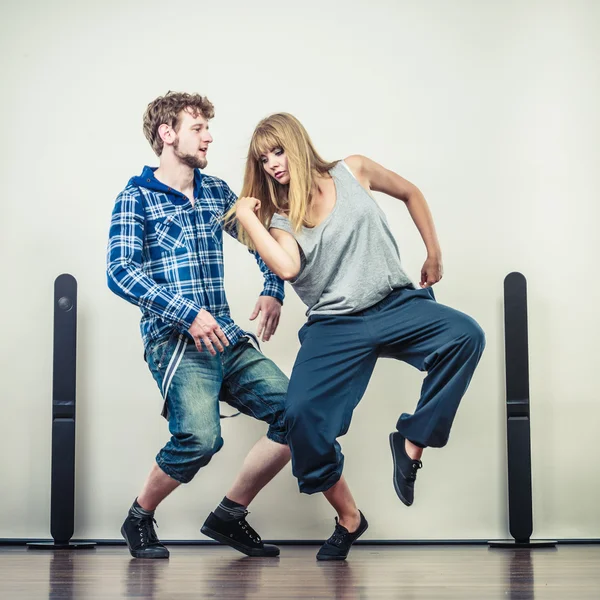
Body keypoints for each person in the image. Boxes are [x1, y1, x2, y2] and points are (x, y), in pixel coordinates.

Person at [229, 112, 486, 561]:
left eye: (278, 150)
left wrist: (434, 251)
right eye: (263, 158)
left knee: (465, 335)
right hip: (335, 326)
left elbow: (410, 192)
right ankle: (349, 519)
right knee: (302, 416)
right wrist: (249, 218)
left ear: (298, 142)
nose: (272, 163)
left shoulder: (353, 170)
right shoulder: (280, 221)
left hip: (395, 304)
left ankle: (411, 441)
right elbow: (287, 268)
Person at [106, 93, 291, 559]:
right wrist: (186, 313)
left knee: (302, 415)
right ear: (167, 134)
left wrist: (273, 286)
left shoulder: (216, 192)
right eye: (197, 127)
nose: (208, 135)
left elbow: (260, 238)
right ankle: (139, 517)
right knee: (200, 439)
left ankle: (229, 515)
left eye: (208, 126)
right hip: (174, 339)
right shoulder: (136, 197)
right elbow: (120, 271)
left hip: (226, 335)